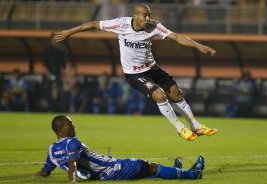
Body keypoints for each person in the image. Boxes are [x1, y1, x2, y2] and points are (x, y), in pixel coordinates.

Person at [54, 3, 217, 141]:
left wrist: (198, 46)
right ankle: (180, 128)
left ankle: (195, 126)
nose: (148, 18)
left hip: (152, 68)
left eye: (149, 15)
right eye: (145, 15)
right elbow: (93, 24)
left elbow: (177, 37)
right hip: (134, 74)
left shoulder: (154, 26)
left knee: (175, 92)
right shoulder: (121, 24)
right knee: (159, 95)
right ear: (135, 16)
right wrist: (69, 32)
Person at [36, 115, 205, 183]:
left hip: (100, 174)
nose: (73, 126)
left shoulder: (52, 151)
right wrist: (71, 182)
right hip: (110, 169)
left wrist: (34, 176)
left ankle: (177, 171)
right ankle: (194, 174)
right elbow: (72, 163)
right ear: (59, 130)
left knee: (146, 173)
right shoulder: (72, 142)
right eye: (68, 124)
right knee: (148, 166)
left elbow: (45, 171)